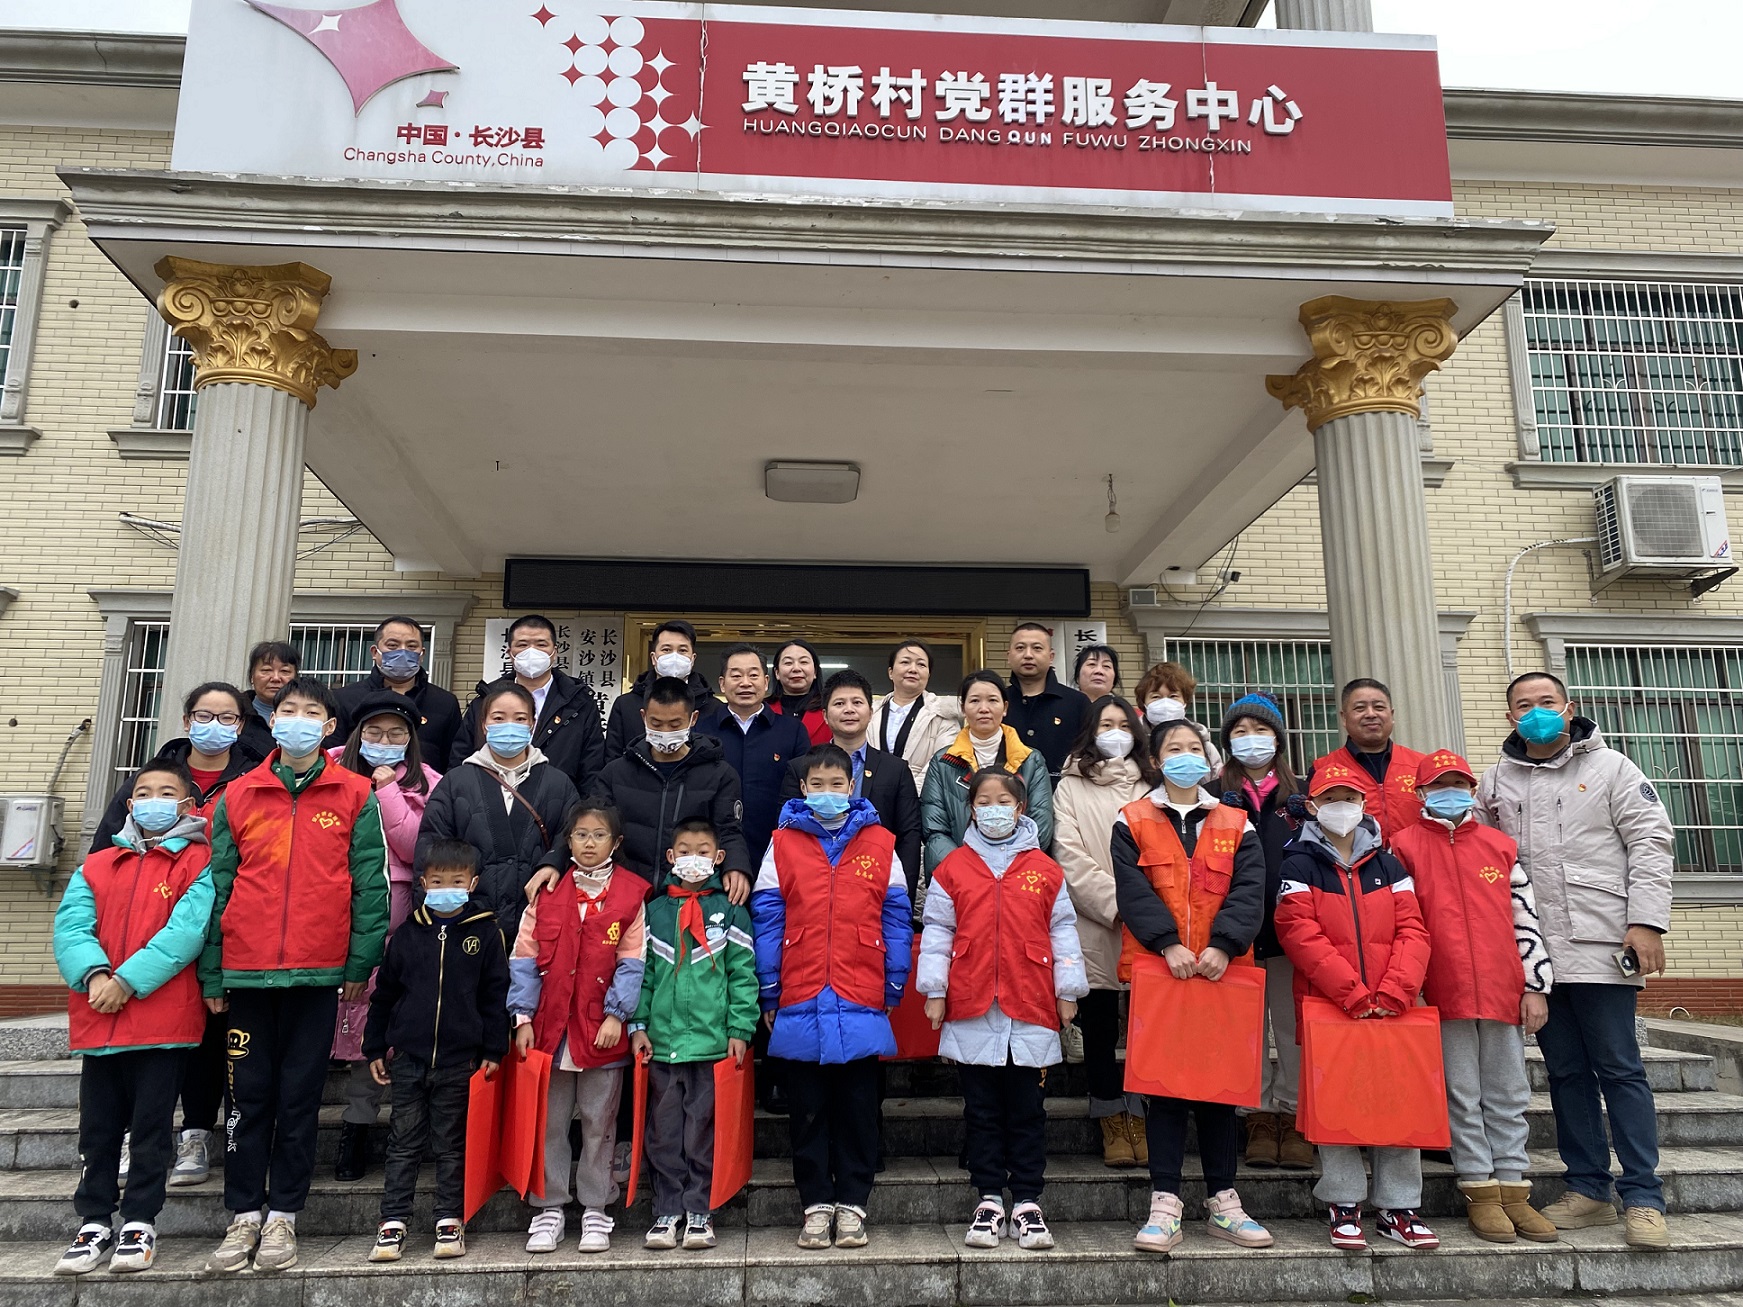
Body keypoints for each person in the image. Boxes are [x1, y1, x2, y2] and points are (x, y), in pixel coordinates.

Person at [1476, 670, 1675, 1250]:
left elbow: (1651, 843)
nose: (1536, 712)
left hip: (1602, 943)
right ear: (1510, 717)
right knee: (1564, 1073)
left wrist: (1646, 922)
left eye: (1547, 701)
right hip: (1536, 955)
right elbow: (1483, 861)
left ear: (1569, 708)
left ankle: (1643, 1197)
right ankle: (1588, 1189)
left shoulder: (1612, 769)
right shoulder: (1496, 780)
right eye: (1523, 705)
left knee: (1620, 1068)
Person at [197, 676, 389, 1275]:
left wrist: (359, 963)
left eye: (311, 712)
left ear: (329, 728)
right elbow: (217, 888)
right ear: (272, 719)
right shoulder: (238, 795)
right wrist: (213, 973)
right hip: (247, 972)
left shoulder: (355, 793)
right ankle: (243, 1215)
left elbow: (370, 886)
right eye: (288, 709)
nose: (297, 719)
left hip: (318, 973)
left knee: (300, 1098)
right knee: (247, 1098)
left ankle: (283, 1215)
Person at [86, 681, 260, 1190]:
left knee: (209, 1035)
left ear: (241, 726)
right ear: (186, 721)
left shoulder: (250, 780)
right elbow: (104, 855)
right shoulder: (152, 778)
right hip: (139, 935)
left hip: (218, 927)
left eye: (227, 717)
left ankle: (196, 1133)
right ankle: (136, 1137)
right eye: (204, 715)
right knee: (143, 1045)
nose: (214, 726)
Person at [1113, 719, 1271, 1254]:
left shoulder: (1237, 821)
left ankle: (1224, 1200)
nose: (1185, 755)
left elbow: (1250, 889)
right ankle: (1165, 1202)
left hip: (1222, 971)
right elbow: (1132, 889)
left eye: (1193, 748)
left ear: (1208, 759)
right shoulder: (1132, 818)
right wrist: (1166, 943)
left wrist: (1224, 944)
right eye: (1173, 748)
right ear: (1156, 761)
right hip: (1162, 970)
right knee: (1162, 1088)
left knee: (1219, 1089)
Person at [52, 761, 214, 1276]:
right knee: (98, 1129)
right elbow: (71, 927)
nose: (153, 801)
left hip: (162, 1021)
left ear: (187, 805)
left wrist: (127, 981)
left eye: (167, 792)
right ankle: (94, 1221)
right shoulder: (97, 864)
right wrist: (96, 975)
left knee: (150, 1129)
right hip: (100, 1017)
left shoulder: (200, 861)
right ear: (129, 803)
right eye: (144, 792)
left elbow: (187, 933)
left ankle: (141, 1221)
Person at [1393, 749, 1557, 1245]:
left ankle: (1514, 1187)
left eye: (1459, 784)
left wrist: (1535, 986)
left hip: (1503, 988)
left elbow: (1525, 918)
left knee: (1509, 1093)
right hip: (1441, 991)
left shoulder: (1499, 846)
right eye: (1440, 785)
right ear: (1421, 793)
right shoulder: (1402, 846)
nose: (1451, 793)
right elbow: (1398, 923)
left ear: (1472, 791)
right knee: (1461, 1094)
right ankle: (1479, 1189)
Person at [752, 746, 913, 1251]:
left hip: (860, 984)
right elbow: (768, 916)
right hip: (800, 986)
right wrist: (769, 986)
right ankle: (816, 1204)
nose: (827, 792)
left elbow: (896, 915)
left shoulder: (881, 842)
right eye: (816, 785)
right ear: (803, 789)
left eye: (836, 784)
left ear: (852, 786)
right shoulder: (781, 843)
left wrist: (894, 979)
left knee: (859, 1107)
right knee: (808, 1109)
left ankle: (853, 1205)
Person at [921, 769, 1086, 1253]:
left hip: (1030, 1000)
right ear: (971, 810)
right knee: (982, 1111)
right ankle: (989, 1197)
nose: (994, 809)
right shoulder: (953, 867)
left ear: (1020, 808)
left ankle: (1028, 1200)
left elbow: (1062, 930)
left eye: (1004, 800)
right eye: (984, 801)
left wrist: (1068, 989)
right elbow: (937, 930)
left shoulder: (1045, 869)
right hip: (972, 1001)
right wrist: (934, 989)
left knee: (1028, 1110)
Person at [1275, 769, 1436, 1252]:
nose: (1341, 806)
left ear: (1364, 804)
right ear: (1312, 805)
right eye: (1331, 798)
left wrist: (1395, 991)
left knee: (1399, 1101)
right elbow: (1298, 933)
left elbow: (1413, 930)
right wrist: (1351, 992)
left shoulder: (1389, 865)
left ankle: (1398, 1206)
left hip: (1392, 1006)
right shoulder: (1297, 863)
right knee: (1337, 1103)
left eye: (1350, 797)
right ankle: (1343, 1202)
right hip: (1332, 1005)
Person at [509, 804, 645, 1256]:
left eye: (599, 835)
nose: (589, 843)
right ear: (567, 841)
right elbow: (524, 959)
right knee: (550, 1122)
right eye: (581, 835)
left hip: (601, 1028)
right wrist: (522, 1018)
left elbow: (632, 962)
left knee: (599, 1121)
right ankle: (548, 1207)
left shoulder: (631, 895)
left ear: (616, 843)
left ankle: (596, 1206)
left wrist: (616, 1016)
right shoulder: (545, 892)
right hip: (550, 1027)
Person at [364, 839, 509, 1264]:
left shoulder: (486, 932)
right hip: (408, 1060)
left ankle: (449, 1218)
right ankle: (393, 1221)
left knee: (451, 1144)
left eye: (457, 881)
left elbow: (495, 996)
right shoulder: (407, 935)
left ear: (473, 884)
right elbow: (384, 995)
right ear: (423, 883)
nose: (447, 888)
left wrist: (493, 1048)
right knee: (403, 1143)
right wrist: (375, 1045)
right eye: (438, 881)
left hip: (459, 1061)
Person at [327, 691, 442, 1183]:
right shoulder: (328, 770)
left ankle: (372, 1129)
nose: (385, 741)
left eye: (397, 734)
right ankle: (342, 1129)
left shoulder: (428, 781)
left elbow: (415, 846)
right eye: (374, 732)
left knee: (380, 1023)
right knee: (333, 1022)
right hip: (331, 910)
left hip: (398, 918)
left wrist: (389, 789)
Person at [629, 817, 759, 1252]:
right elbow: (644, 976)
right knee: (663, 1133)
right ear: (670, 856)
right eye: (685, 851)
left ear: (719, 858)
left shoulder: (732, 910)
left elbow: (743, 975)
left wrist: (740, 1028)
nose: (693, 859)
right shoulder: (655, 911)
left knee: (703, 1132)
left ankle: (700, 1209)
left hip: (711, 1045)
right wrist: (638, 1025)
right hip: (663, 1045)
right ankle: (667, 1210)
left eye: (703, 852)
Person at [1050, 694, 1155, 1168]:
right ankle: (1109, 1113)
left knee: (1147, 1025)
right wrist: (1118, 905)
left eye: (1123, 724)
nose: (1115, 733)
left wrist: (1148, 911)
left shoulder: (1153, 783)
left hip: (1154, 925)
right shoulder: (1070, 785)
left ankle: (1143, 1113)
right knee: (1098, 1027)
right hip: (1095, 921)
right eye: (1105, 725)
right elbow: (1068, 855)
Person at [1215, 694, 1313, 1172]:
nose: (1251, 739)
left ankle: (1293, 1115)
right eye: (1240, 731)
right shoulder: (1214, 794)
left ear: (1278, 738)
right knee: (1245, 1026)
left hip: (1294, 930)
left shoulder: (1304, 795)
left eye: (1260, 730)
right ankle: (1255, 1114)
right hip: (1234, 932)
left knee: (1292, 1027)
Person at [419, 683, 578, 939]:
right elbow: (430, 848)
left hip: (537, 923)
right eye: (498, 718)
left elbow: (572, 837)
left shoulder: (558, 783)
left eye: (520, 718)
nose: (509, 726)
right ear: (484, 724)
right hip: (467, 923)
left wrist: (554, 862)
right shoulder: (455, 782)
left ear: (533, 724)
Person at [579, 677, 753, 898]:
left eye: (675, 725)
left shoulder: (720, 775)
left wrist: (736, 866)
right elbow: (591, 823)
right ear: (643, 717)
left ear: (693, 719)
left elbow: (728, 830)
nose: (665, 731)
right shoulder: (616, 773)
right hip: (626, 892)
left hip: (691, 892)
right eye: (656, 724)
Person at [778, 669, 923, 896]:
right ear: (825, 715)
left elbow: (909, 836)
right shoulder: (799, 768)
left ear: (870, 712)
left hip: (876, 884)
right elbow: (786, 833)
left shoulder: (895, 770)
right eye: (839, 703)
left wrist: (903, 894)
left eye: (857, 702)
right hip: (811, 887)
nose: (849, 710)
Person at [450, 614, 605, 796]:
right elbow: (460, 757)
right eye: (522, 645)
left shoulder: (579, 703)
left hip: (559, 802)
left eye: (541, 644)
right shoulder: (486, 699)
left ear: (554, 652)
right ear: (510, 653)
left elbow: (592, 766)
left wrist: (582, 809)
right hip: (488, 801)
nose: (532, 652)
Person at [921, 671, 1054, 877]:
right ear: (963, 708)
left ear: (1005, 707)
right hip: (958, 876)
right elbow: (934, 830)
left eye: (992, 700)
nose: (984, 708)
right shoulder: (943, 762)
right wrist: (966, 872)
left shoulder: (1030, 760)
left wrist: (1007, 869)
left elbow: (1041, 823)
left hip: (1016, 876)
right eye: (974, 701)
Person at [696, 643, 811, 865]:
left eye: (753, 675)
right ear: (722, 683)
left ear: (766, 682)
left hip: (777, 851)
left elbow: (802, 793)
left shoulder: (792, 730)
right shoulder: (701, 731)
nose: (745, 683)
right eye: (736, 675)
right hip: (713, 853)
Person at [335, 616, 463, 775]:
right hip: (355, 788)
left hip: (426, 788)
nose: (402, 652)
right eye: (392, 645)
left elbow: (454, 761)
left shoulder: (444, 702)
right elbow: (332, 756)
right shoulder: (344, 698)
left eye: (411, 646)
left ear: (422, 654)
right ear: (375, 652)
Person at [1308, 679, 1424, 846]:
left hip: (1416, 859)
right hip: (1353, 861)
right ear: (1343, 717)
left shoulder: (1421, 765)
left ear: (1391, 714)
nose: (1371, 714)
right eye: (1360, 708)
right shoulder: (1322, 768)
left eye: (1379, 707)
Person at [606, 619, 722, 762]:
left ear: (692, 659)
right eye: (666, 650)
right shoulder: (626, 705)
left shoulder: (713, 708)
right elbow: (612, 758)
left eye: (682, 650)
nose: (675, 657)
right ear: (654, 658)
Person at [871, 640, 963, 794]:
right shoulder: (870, 714)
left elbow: (942, 763)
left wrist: (907, 794)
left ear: (928, 674)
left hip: (920, 798)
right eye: (905, 662)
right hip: (871, 798)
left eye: (921, 664)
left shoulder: (943, 716)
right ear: (890, 672)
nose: (913, 669)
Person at [1005, 623, 1090, 782]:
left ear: (1051, 656)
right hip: (1005, 794)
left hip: (1062, 794)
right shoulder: (998, 702)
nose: (1028, 655)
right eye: (1020, 648)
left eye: (1037, 648)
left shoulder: (1077, 703)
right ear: (1009, 656)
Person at [1134, 660, 1224, 771]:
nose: (1165, 703)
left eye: (1173, 696)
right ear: (1143, 703)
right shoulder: (1132, 743)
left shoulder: (1205, 747)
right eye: (1156, 697)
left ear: (1185, 701)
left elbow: (1216, 778)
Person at [238, 640, 299, 759]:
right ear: (252, 676)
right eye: (266, 670)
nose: (276, 678)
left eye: (285, 671)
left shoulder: (309, 718)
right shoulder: (236, 715)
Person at [767, 639, 831, 745]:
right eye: (788, 663)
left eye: (804, 662)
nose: (796, 668)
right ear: (777, 673)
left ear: (815, 671)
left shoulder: (830, 709)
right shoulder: (762, 709)